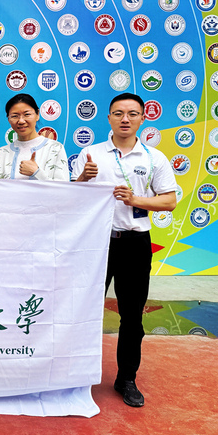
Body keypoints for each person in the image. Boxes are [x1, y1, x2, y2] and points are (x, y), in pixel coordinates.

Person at [72, 92, 177, 408]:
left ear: (143, 118)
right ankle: (75, 377)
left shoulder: (153, 158)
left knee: (132, 316)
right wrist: (82, 178)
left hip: (134, 243)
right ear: (108, 118)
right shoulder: (91, 154)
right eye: (118, 113)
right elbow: (71, 198)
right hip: (95, 243)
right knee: (82, 312)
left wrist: (136, 200)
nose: (125, 119)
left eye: (132, 113)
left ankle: (126, 379)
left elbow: (169, 200)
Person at [0, 94, 68, 180]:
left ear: (37, 114)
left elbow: (62, 186)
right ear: (8, 119)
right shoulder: (2, 153)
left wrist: (37, 172)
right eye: (15, 116)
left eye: (27, 114)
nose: (21, 121)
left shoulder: (55, 148)